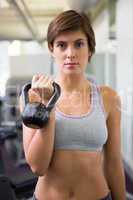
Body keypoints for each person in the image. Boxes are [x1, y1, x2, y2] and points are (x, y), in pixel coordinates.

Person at [20, 10, 126, 200]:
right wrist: (48, 106)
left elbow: (113, 162)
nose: (70, 53)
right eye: (62, 45)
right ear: (52, 49)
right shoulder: (33, 95)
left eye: (79, 44)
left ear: (90, 49)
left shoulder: (109, 98)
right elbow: (38, 166)